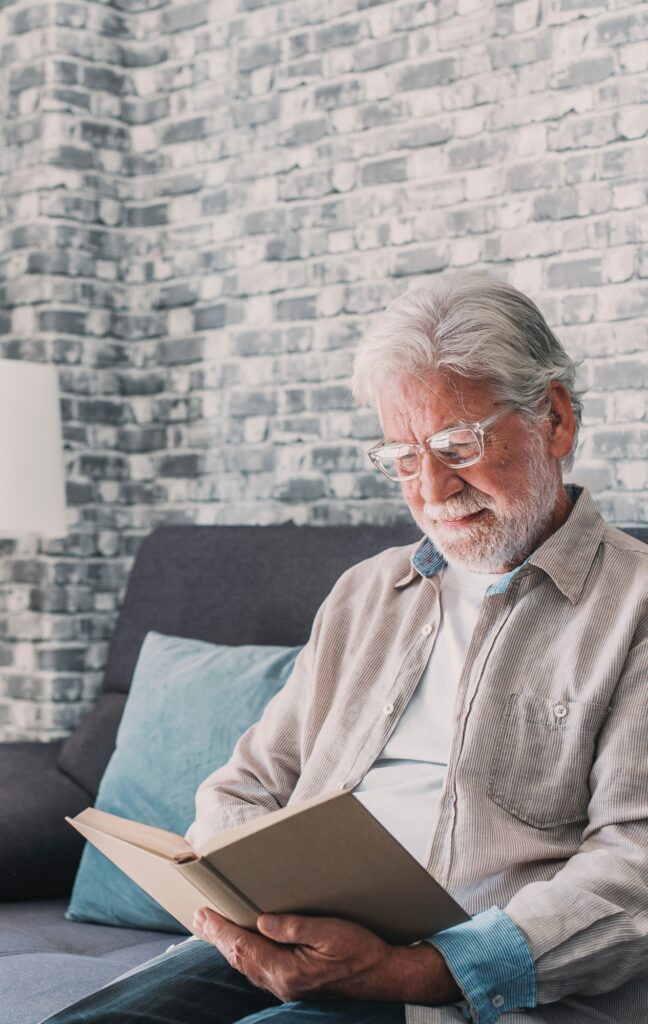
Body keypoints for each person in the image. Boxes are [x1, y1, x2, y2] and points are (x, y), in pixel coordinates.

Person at [44, 272, 648, 1024]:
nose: (430, 487)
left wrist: (416, 970)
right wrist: (246, 909)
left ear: (553, 419)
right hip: (300, 940)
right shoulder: (367, 594)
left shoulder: (634, 608)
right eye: (401, 455)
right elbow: (244, 785)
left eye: (457, 445)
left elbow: (635, 872)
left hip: (474, 990)